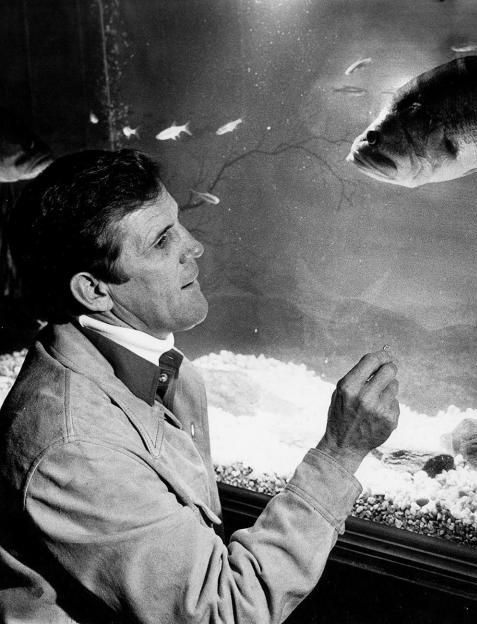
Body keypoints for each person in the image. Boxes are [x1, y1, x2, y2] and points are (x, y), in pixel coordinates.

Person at [0, 149, 400, 623]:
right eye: (162, 241)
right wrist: (337, 456)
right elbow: (223, 612)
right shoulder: (76, 449)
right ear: (94, 290)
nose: (195, 247)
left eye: (179, 224)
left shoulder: (158, 366)